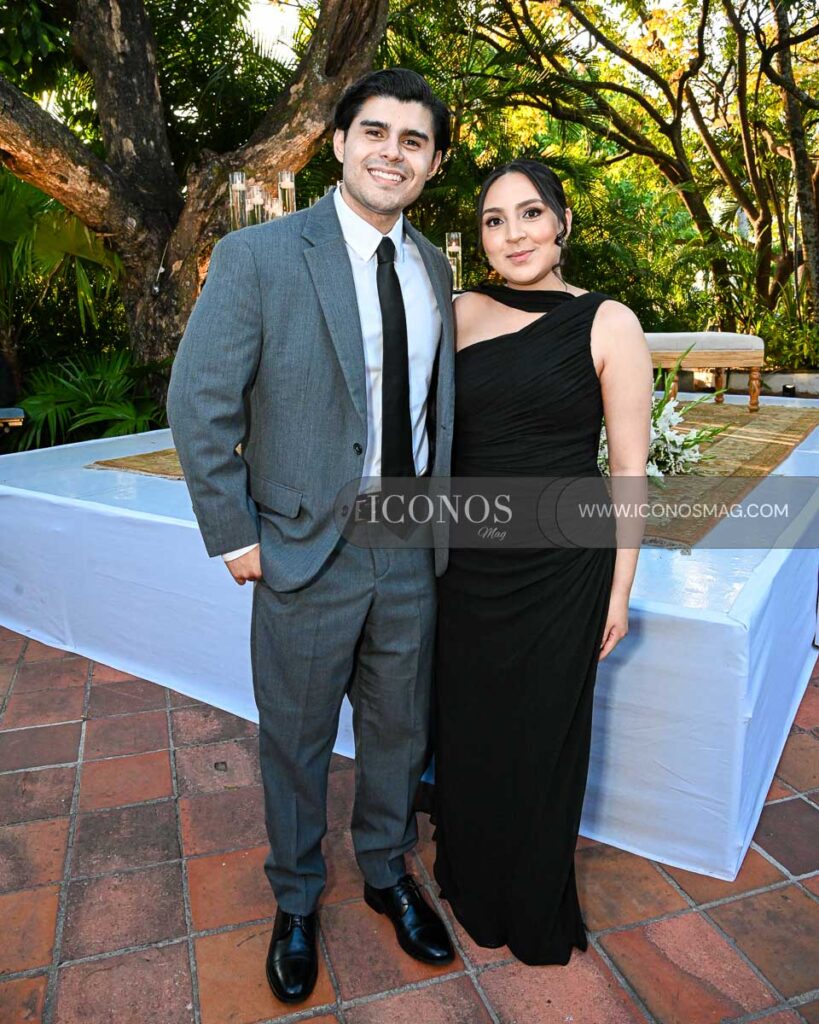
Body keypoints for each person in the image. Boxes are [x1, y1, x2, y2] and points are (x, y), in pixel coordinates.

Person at [167, 68, 457, 1005]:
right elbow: (198, 403)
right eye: (374, 131)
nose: (391, 152)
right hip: (301, 546)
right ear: (336, 142)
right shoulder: (259, 255)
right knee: (293, 739)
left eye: (413, 141)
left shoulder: (434, 267)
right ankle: (296, 898)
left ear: (434, 163)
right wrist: (232, 531)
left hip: (409, 534)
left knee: (396, 727)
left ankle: (384, 872)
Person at [432, 159, 652, 966]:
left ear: (561, 223)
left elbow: (628, 469)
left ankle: (529, 898)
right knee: (465, 728)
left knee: (540, 737)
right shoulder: (454, 312)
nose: (513, 233)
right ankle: (464, 874)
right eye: (494, 220)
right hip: (465, 564)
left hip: (563, 569)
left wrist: (619, 589)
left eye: (529, 214)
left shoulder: (607, 322)